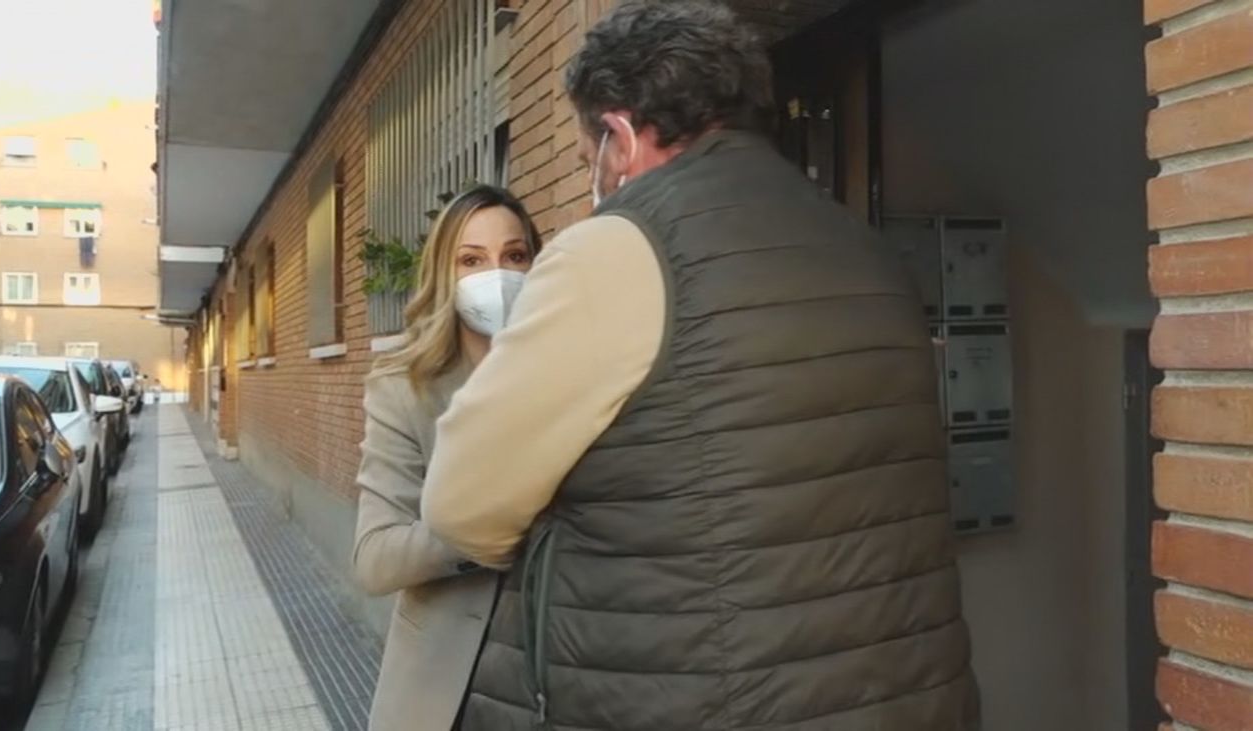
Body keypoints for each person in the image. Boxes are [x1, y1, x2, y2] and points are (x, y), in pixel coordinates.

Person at [420, 1, 980, 729]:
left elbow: (464, 509)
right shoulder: (863, 246)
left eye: (586, 154)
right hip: (907, 695)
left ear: (617, 137)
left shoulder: (617, 248)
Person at [352, 184, 543, 730]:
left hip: (565, 669)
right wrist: (490, 528)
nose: (497, 274)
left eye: (514, 256)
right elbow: (376, 557)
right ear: (445, 274)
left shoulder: (572, 376)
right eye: (471, 260)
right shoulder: (404, 388)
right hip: (453, 687)